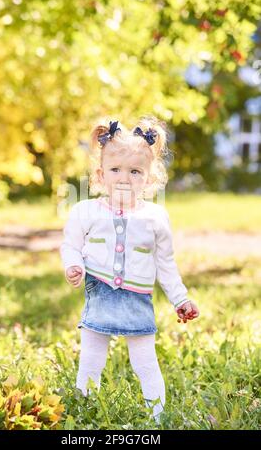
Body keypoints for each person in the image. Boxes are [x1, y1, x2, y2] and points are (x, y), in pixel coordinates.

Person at [60, 116, 199, 425]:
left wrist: (181, 299)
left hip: (137, 299)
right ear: (100, 174)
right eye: (115, 170)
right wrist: (74, 265)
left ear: (149, 179)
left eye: (135, 171)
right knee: (91, 359)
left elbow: (166, 264)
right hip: (101, 292)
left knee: (145, 362)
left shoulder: (156, 217)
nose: (124, 178)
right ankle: (84, 412)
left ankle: (158, 417)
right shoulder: (84, 212)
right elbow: (70, 245)